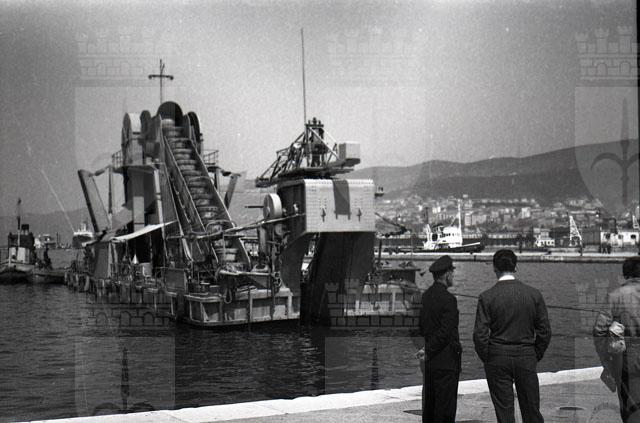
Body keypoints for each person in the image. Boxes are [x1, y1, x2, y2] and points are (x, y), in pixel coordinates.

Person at [473, 249, 551, 423]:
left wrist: (488, 356)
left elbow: (479, 334)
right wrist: (535, 353)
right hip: (526, 355)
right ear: (515, 267)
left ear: (495, 268)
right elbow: (545, 331)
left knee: (504, 412)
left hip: (497, 356)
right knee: (531, 410)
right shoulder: (534, 295)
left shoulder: (486, 297)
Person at [593, 256, 640, 422]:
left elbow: (599, 330)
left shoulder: (615, 296)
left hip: (628, 359)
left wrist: (607, 361)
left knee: (630, 405)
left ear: (625, 274)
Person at [419, 255, 461, 423]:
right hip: (446, 362)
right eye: (452, 273)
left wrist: (426, 349)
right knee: (445, 410)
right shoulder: (449, 300)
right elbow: (446, 332)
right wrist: (429, 349)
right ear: (447, 274)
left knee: (430, 407)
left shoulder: (425, 297)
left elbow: (419, 328)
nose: (453, 276)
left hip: (430, 363)